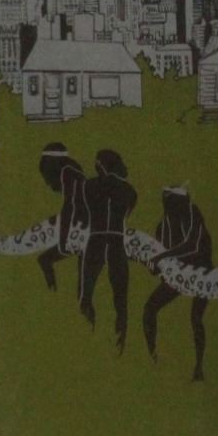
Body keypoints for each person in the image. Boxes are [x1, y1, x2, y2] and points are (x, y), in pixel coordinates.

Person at [143, 185, 213, 380]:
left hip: (201, 274)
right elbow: (158, 264)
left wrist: (161, 257)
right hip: (178, 276)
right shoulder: (162, 226)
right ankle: (152, 357)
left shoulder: (193, 214)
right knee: (149, 309)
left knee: (196, 318)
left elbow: (193, 245)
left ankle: (199, 367)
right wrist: (154, 265)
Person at [77, 149, 137, 349]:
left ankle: (86, 332)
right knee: (120, 297)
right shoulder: (129, 190)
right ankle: (119, 341)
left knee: (87, 292)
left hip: (96, 239)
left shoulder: (89, 186)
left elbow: (87, 210)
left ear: (100, 165)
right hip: (116, 241)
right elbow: (127, 213)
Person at [34, 143, 87, 293]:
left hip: (88, 229)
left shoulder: (68, 173)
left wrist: (64, 239)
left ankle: (53, 294)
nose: (47, 183)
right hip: (84, 227)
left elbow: (69, 206)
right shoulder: (73, 173)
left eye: (47, 176)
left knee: (46, 260)